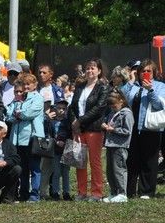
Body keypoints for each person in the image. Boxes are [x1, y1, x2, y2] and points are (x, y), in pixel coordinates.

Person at [120, 59, 165, 199]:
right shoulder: (133, 86)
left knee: (149, 161)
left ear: (154, 72)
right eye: (142, 71)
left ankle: (146, 191)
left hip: (150, 129)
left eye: (148, 71)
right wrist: (131, 81)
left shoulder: (160, 86)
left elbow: (158, 105)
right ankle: (130, 190)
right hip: (132, 129)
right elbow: (121, 98)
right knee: (131, 160)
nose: (145, 73)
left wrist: (150, 90)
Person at [68, 59, 109, 201]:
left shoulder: (103, 87)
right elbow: (72, 106)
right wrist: (74, 122)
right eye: (87, 68)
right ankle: (81, 192)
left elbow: (99, 109)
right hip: (79, 130)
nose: (90, 71)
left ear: (99, 71)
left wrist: (79, 121)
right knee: (80, 161)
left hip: (94, 129)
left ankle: (97, 193)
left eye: (93, 68)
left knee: (95, 161)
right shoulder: (80, 87)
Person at [6, 74, 44, 201]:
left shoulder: (38, 98)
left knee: (34, 168)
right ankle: (23, 193)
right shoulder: (19, 97)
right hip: (18, 139)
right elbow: (9, 115)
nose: (26, 86)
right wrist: (16, 115)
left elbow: (29, 113)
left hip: (32, 138)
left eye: (29, 84)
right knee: (23, 168)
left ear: (35, 84)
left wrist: (18, 114)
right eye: (25, 84)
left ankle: (34, 194)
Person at [101, 90, 133, 203]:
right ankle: (114, 192)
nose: (113, 108)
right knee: (110, 170)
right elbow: (108, 122)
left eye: (114, 105)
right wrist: (104, 125)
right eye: (111, 106)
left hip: (120, 146)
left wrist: (113, 129)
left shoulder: (127, 113)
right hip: (110, 144)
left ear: (121, 101)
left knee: (119, 169)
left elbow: (127, 131)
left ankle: (122, 193)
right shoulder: (112, 113)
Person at [40, 99, 73, 200]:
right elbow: (47, 134)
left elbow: (70, 134)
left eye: (64, 108)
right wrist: (55, 141)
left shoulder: (68, 122)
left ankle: (66, 193)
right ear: (55, 109)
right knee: (56, 172)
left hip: (66, 149)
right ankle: (55, 192)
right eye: (59, 108)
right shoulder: (51, 121)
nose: (61, 110)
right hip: (54, 150)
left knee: (66, 172)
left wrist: (65, 141)